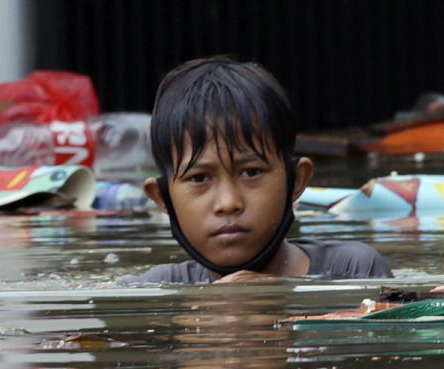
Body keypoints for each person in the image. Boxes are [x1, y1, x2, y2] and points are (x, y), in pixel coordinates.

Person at [119, 56, 392, 284]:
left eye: (250, 172)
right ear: (163, 198)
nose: (228, 203)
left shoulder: (354, 272)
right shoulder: (151, 292)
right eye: (199, 178)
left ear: (296, 180)